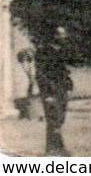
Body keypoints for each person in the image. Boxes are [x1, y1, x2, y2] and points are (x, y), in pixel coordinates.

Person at [34, 26, 72, 156]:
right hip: (50, 90)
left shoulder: (62, 51)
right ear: (54, 36)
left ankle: (59, 147)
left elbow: (64, 71)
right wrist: (47, 92)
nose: (64, 37)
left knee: (60, 119)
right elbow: (40, 73)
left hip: (62, 89)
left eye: (64, 34)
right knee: (53, 119)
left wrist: (68, 84)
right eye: (61, 34)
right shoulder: (43, 52)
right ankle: (51, 150)